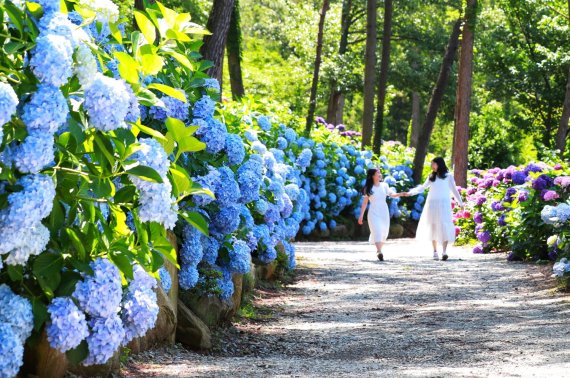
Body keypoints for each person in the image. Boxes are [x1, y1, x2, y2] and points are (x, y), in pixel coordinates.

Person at [402, 157, 464, 261]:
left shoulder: (448, 176)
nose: (432, 166)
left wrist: (460, 203)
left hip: (444, 205)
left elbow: (454, 190)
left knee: (445, 225)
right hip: (432, 205)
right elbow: (422, 188)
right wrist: (410, 193)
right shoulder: (431, 177)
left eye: (433, 164)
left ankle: (444, 251)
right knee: (433, 226)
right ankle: (435, 251)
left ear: (439, 164)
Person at [358, 168, 403, 261]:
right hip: (373, 212)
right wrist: (361, 215)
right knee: (377, 230)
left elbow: (391, 194)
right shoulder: (368, 188)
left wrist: (401, 194)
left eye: (379, 172)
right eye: (377, 173)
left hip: (384, 212)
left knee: (383, 231)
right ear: (372, 176)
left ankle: (379, 250)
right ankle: (379, 251)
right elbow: (365, 203)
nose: (380, 174)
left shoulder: (385, 185)